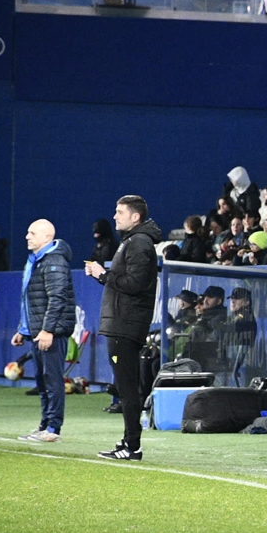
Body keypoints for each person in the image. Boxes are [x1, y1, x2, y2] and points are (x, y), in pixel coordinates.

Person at [84, 195, 162, 461]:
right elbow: (126, 284)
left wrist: (103, 274)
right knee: (125, 385)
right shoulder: (132, 241)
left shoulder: (139, 243)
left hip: (125, 325)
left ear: (135, 217)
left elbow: (135, 284)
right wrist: (102, 276)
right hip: (122, 323)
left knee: (128, 388)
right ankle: (129, 442)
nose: (115, 216)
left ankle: (132, 446)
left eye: (120, 212)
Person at [11, 220, 76, 443]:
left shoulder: (54, 260)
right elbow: (30, 299)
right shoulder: (36, 260)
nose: (27, 237)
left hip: (51, 333)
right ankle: (45, 424)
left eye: (32, 233)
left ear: (47, 238)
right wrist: (23, 328)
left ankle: (53, 428)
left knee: (52, 380)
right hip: (37, 331)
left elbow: (57, 298)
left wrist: (48, 330)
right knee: (42, 380)